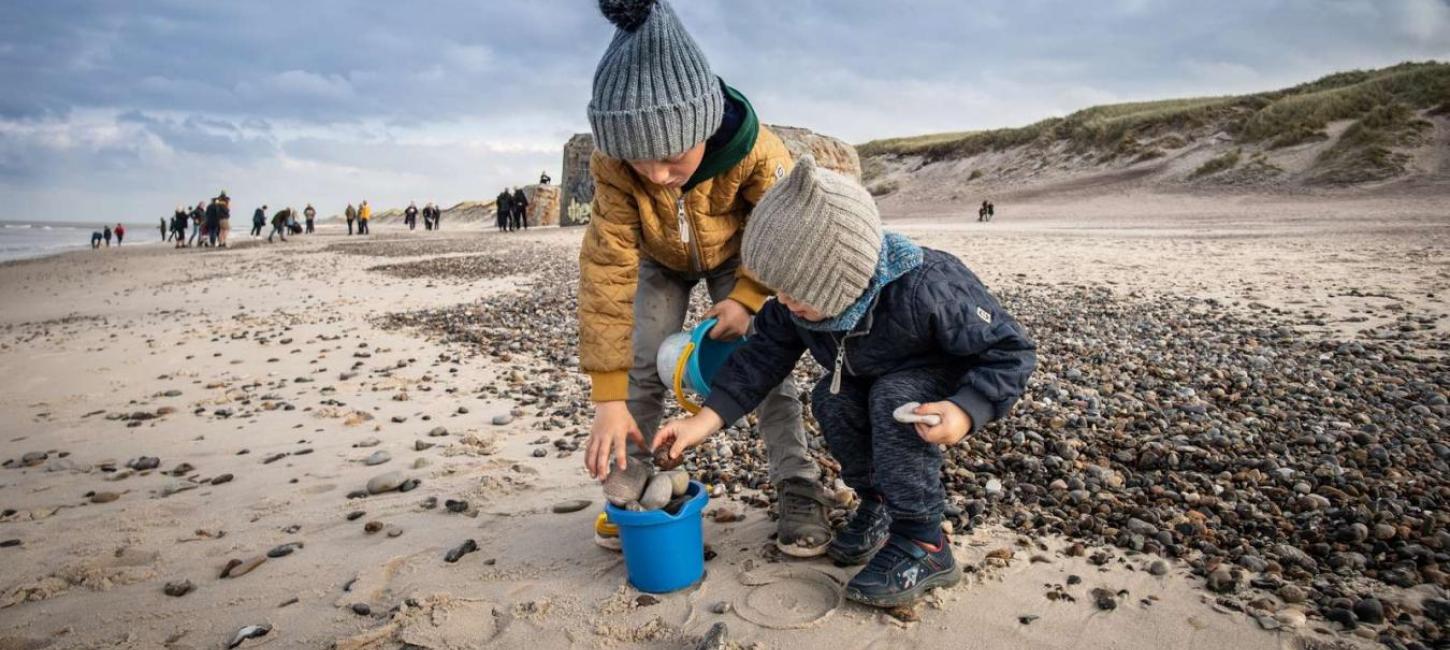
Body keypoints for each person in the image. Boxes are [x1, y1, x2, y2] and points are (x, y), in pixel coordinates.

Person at [652, 156, 1037, 608]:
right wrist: (704, 420)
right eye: (779, 291)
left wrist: (967, 409)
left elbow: (1010, 351)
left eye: (798, 294)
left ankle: (925, 541)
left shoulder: (928, 286)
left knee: (893, 400)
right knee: (831, 400)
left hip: (936, 383)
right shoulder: (796, 304)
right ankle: (878, 500)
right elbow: (759, 360)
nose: (786, 304)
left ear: (843, 280)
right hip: (864, 376)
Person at [578, 0, 829, 557]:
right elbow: (607, 273)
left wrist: (747, 296)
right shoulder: (614, 167)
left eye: (669, 159)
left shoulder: (758, 153)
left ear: (702, 124)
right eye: (639, 163)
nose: (657, 177)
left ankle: (798, 484)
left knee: (763, 363)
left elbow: (783, 232)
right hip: (658, 260)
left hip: (741, 259)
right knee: (641, 368)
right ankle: (634, 487)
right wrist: (606, 396)